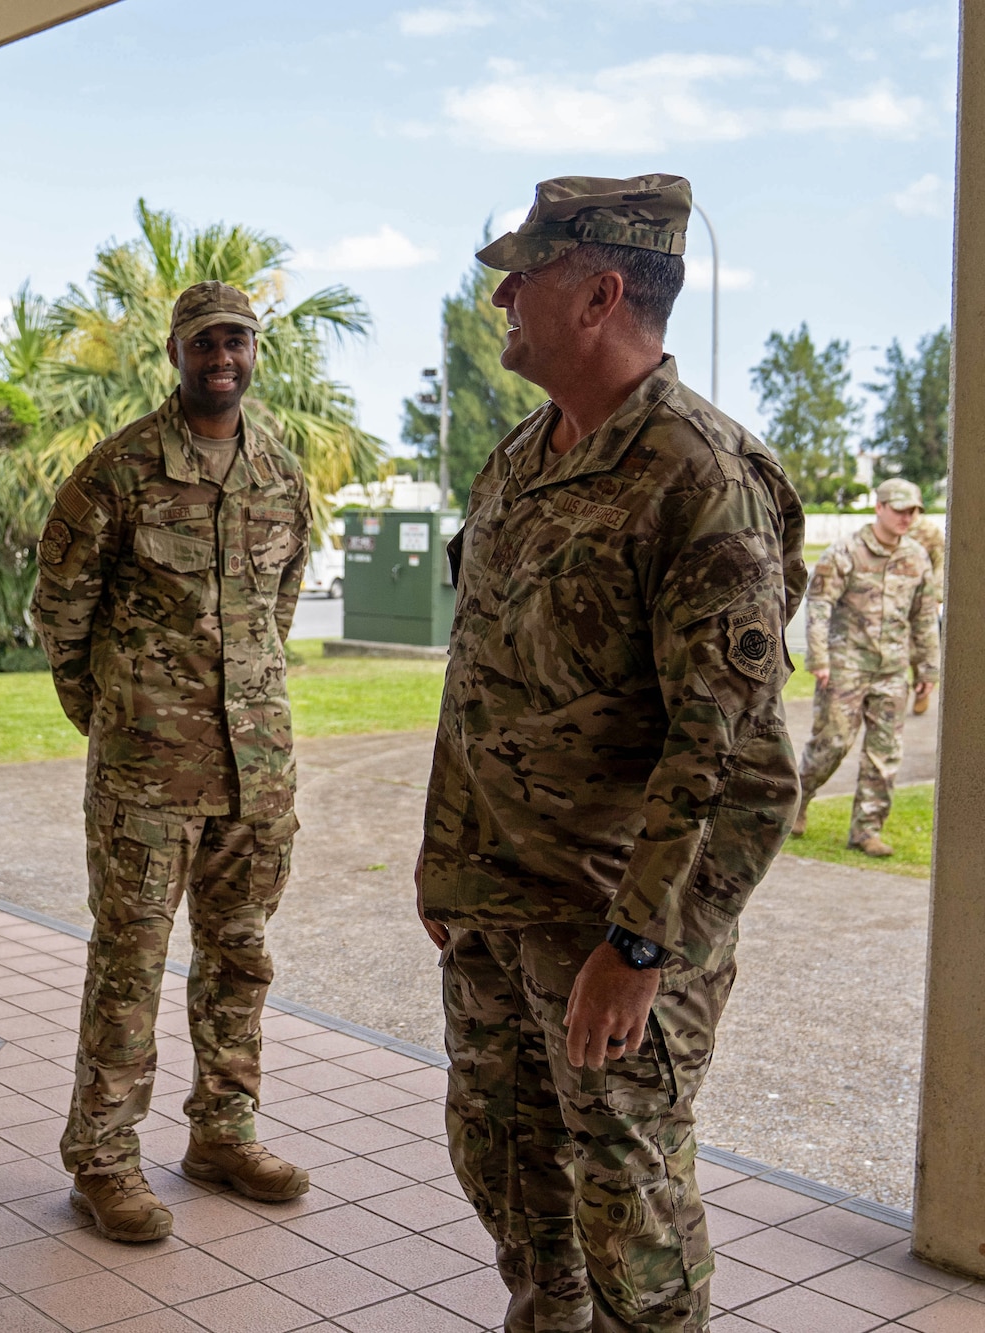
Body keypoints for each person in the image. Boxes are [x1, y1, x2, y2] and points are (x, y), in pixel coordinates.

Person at [416, 175, 804, 1333]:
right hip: (496, 909)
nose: (500, 300)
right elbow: (475, 680)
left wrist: (638, 946)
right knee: (505, 1175)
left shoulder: (701, 477)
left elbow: (731, 759)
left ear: (599, 291)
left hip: (610, 927)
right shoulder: (519, 462)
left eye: (519, 276)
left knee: (623, 1215)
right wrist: (445, 861)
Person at [29, 281, 313, 1244]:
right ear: (175, 351)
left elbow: (279, 605)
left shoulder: (280, 469)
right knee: (130, 965)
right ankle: (104, 1159)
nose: (222, 356)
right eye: (205, 342)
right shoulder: (117, 473)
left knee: (240, 957)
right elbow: (60, 616)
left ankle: (222, 1133)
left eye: (237, 340)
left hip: (257, 772)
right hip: (147, 775)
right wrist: (116, 714)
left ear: (255, 351)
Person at [792, 476, 939, 856]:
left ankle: (866, 830)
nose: (907, 518)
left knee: (885, 753)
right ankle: (795, 803)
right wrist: (820, 658)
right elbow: (819, 607)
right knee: (831, 744)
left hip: (891, 671)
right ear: (880, 507)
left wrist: (927, 669)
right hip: (845, 668)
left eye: (913, 512)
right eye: (900, 510)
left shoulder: (916, 557)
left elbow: (924, 618)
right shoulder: (845, 552)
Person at [905, 506, 944, 714]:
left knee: (921, 644)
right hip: (896, 595)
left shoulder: (930, 531)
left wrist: (936, 596)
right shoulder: (890, 528)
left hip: (922, 594)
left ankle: (922, 688)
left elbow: (941, 563)